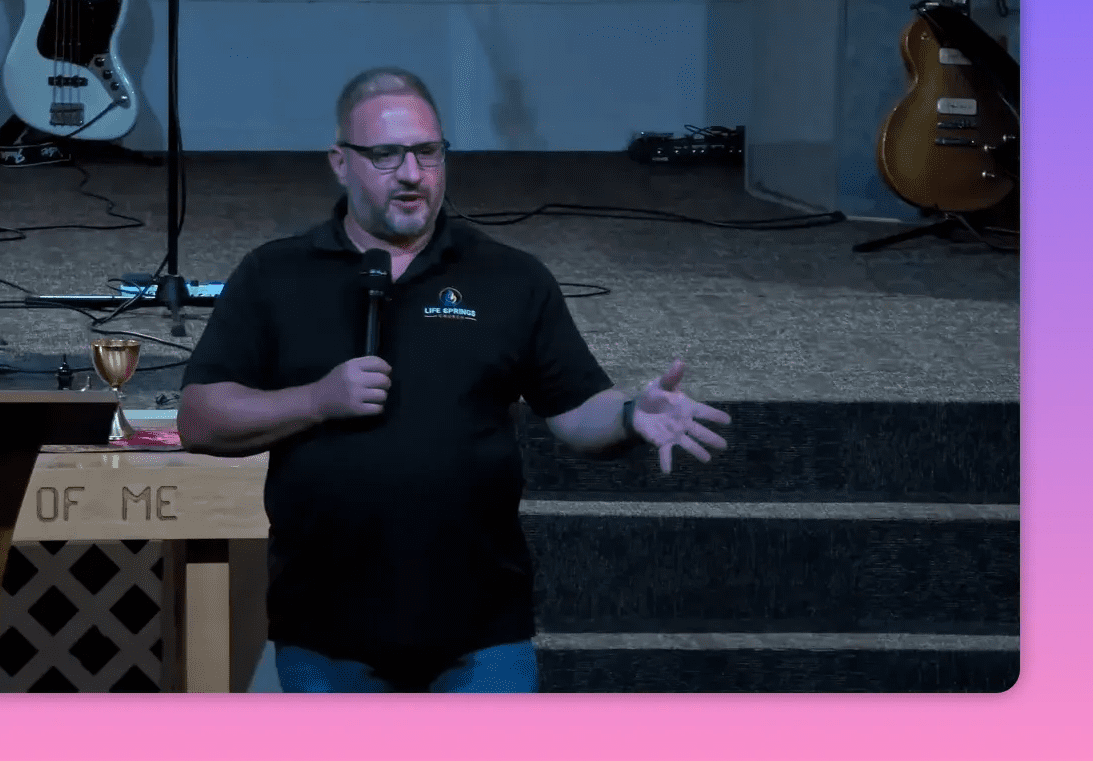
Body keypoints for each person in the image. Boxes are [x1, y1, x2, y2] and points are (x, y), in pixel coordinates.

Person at [176, 67, 731, 692]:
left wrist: (631, 414)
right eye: (386, 155)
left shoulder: (508, 278)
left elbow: (577, 411)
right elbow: (200, 418)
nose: (412, 174)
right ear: (340, 162)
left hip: (481, 635)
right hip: (326, 632)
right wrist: (318, 399)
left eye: (428, 153)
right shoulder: (276, 275)